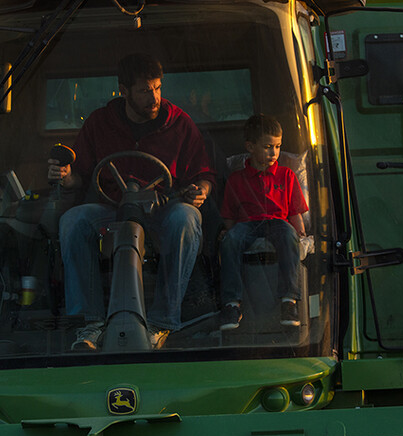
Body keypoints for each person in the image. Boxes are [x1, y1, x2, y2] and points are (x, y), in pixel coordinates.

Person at [47, 54, 215, 350]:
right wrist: (65, 175)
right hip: (112, 209)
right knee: (73, 221)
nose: (154, 98)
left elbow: (203, 173)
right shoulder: (100, 123)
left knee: (186, 218)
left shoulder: (180, 123)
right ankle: (90, 323)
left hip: (162, 209)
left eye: (158, 88)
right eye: (145, 91)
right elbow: (80, 176)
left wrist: (200, 189)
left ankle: (162, 322)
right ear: (123, 91)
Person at [218, 113, 307, 330]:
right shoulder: (237, 179)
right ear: (250, 146)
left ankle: (289, 300)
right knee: (230, 242)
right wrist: (228, 233)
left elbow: (294, 212)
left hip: (277, 222)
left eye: (277, 146)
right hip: (246, 224)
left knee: (288, 235)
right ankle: (232, 304)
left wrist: (301, 234)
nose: (273, 152)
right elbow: (229, 214)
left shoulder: (287, 175)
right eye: (268, 146)